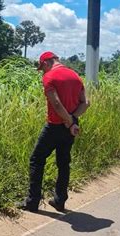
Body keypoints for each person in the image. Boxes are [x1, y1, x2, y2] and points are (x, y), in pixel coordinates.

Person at [17, 51, 90, 213]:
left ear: (45, 63)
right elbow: (86, 103)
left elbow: (56, 104)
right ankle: (59, 201)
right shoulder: (75, 75)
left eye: (41, 68)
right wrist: (72, 120)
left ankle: (32, 202)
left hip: (55, 126)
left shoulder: (49, 77)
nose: (42, 71)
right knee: (64, 163)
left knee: (36, 159)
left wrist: (68, 121)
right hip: (70, 128)